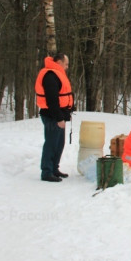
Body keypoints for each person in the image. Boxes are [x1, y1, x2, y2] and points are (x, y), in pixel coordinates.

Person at [35, 53, 75, 182]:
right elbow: (52, 100)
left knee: (59, 144)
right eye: (66, 64)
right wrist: (59, 118)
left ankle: (54, 168)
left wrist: (67, 113)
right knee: (51, 144)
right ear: (58, 62)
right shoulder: (50, 76)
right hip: (51, 116)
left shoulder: (58, 74)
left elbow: (64, 96)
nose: (67, 67)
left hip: (59, 115)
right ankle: (46, 172)